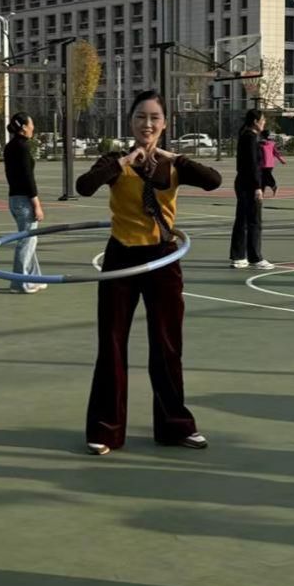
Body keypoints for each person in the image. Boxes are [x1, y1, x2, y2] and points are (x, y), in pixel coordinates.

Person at [75, 89, 221, 456]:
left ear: (165, 123)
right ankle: (105, 430)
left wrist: (176, 157)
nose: (147, 124)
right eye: (141, 117)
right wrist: (126, 160)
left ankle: (175, 426)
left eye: (155, 117)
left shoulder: (173, 165)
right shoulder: (114, 162)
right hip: (121, 258)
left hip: (163, 259)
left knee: (167, 345)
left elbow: (213, 180)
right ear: (130, 122)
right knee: (111, 344)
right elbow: (84, 187)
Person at [3, 112, 45, 293]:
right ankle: (19, 282)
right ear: (24, 127)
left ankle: (33, 277)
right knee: (27, 241)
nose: (33, 127)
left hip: (14, 199)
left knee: (30, 240)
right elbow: (27, 177)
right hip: (23, 200)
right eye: (31, 124)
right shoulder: (22, 147)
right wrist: (36, 204)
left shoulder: (10, 146)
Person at [229, 109, 274, 269]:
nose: (264, 122)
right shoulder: (250, 138)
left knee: (242, 220)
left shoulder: (246, 136)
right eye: (263, 119)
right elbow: (253, 164)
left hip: (242, 182)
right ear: (255, 121)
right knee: (254, 221)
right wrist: (257, 187)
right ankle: (255, 258)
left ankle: (239, 256)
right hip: (249, 184)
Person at [258, 128, 286, 197]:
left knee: (265, 177)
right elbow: (276, 153)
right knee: (263, 178)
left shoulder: (260, 144)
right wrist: (281, 159)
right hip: (268, 164)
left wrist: (281, 159)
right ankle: (262, 192)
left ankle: (273, 186)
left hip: (264, 164)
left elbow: (276, 152)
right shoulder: (271, 143)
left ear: (262, 135)